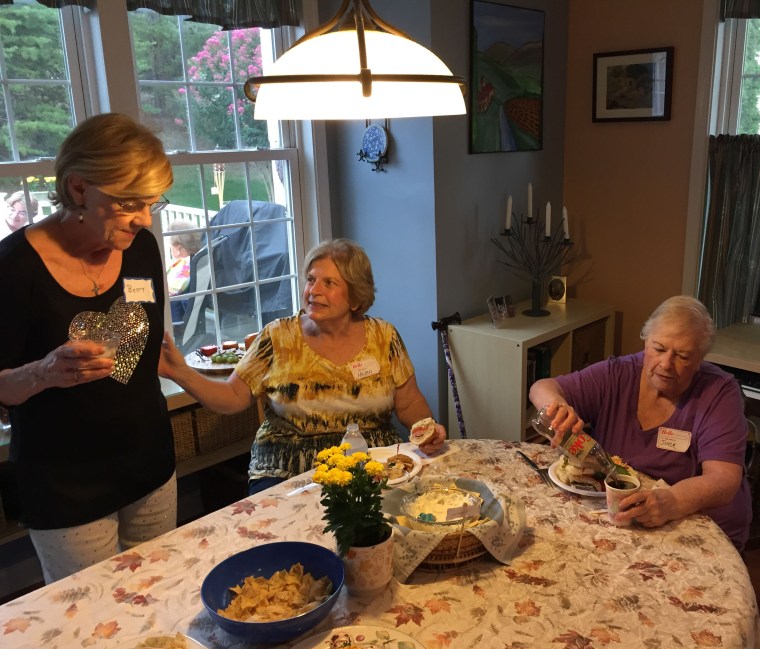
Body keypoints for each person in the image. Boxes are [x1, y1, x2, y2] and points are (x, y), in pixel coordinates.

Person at [0, 113, 176, 583]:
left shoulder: (141, 247)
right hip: (66, 484)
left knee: (161, 591)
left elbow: (147, 348)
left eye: (152, 203)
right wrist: (43, 372)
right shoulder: (14, 268)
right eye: (129, 203)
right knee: (92, 612)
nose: (144, 218)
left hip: (150, 463)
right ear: (78, 188)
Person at [159, 238, 447, 495]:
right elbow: (233, 396)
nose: (313, 291)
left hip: (372, 463)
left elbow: (409, 403)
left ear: (356, 298)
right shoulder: (277, 336)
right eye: (311, 280)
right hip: (287, 467)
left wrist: (427, 430)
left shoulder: (384, 336)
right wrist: (180, 373)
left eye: (329, 283)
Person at [529, 295, 751, 550]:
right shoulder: (617, 373)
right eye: (659, 349)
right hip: (627, 512)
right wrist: (557, 407)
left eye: (682, 356)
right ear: (646, 341)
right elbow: (541, 387)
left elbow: (724, 480)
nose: (666, 364)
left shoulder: (719, 392)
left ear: (701, 358)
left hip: (698, 522)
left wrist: (674, 500)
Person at [165, 220, 202, 296]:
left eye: (171, 246)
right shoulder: (198, 260)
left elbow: (167, 293)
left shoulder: (184, 266)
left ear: (179, 248)